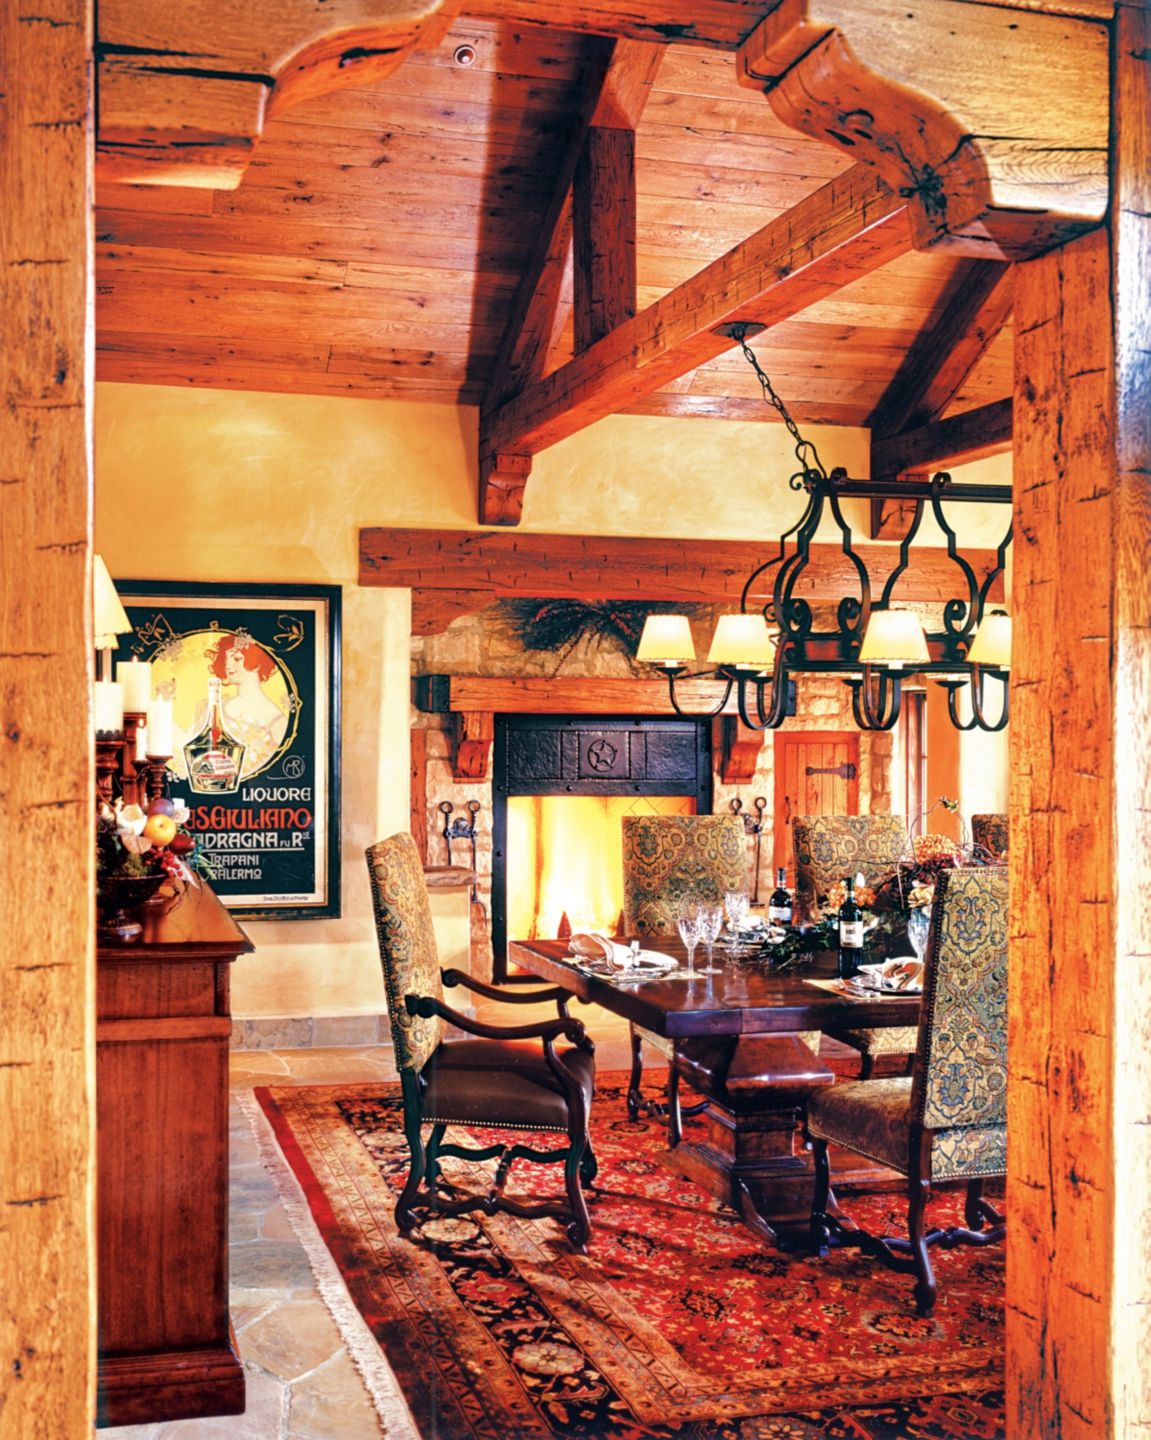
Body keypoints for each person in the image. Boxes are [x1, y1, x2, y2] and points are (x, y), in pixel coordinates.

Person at [206, 631, 290, 776]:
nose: (229, 666)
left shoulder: (277, 721)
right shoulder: (217, 706)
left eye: (237, 659)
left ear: (256, 663)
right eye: (226, 660)